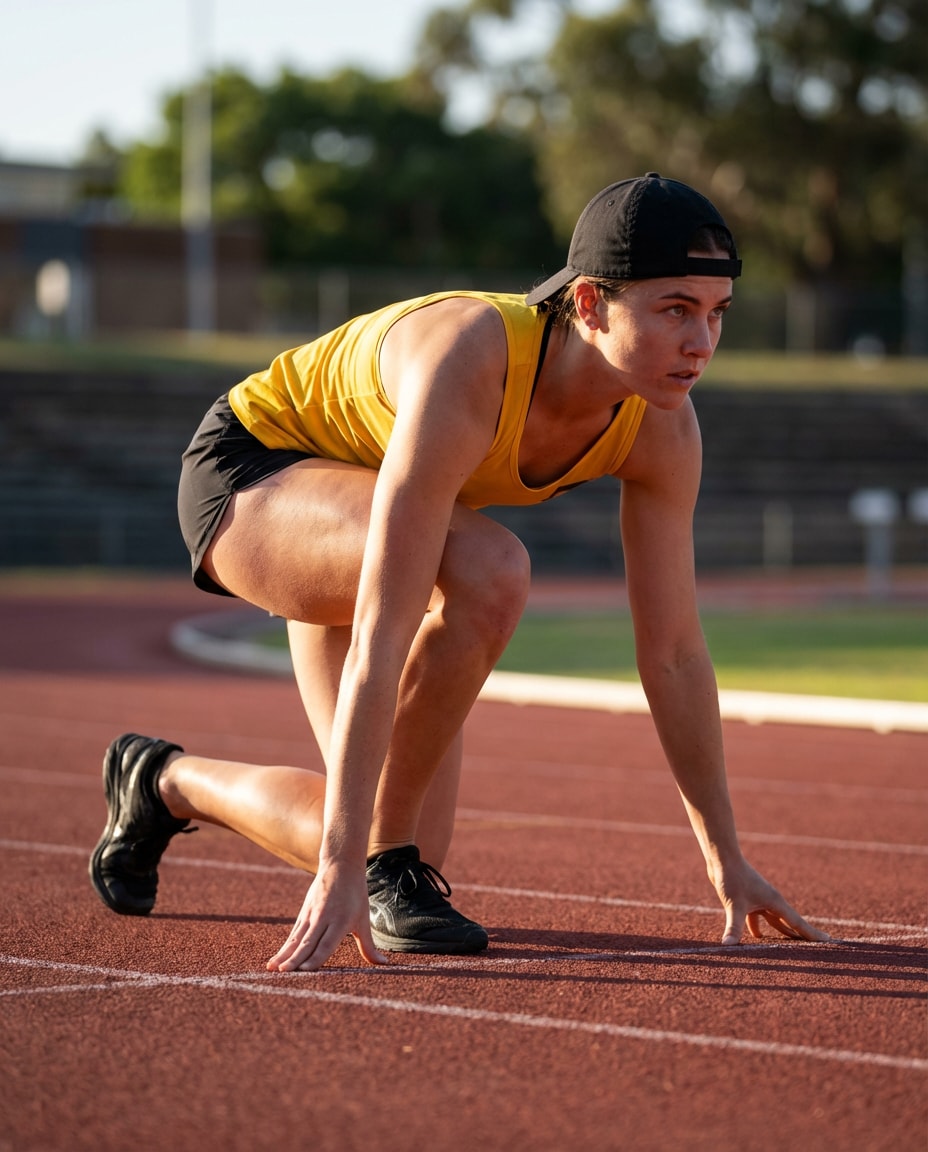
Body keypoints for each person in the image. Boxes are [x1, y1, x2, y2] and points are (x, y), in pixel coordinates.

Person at [89, 173, 829, 971]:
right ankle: (361, 856)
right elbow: (386, 619)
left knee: (393, 843)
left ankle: (163, 781)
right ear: (587, 305)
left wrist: (726, 860)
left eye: (717, 314)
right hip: (257, 475)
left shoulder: (664, 429)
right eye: (675, 309)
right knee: (490, 570)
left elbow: (676, 653)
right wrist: (343, 872)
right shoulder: (474, 358)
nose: (701, 343)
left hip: (368, 509)